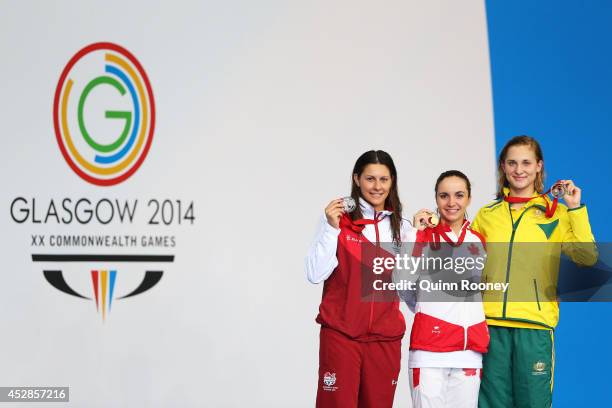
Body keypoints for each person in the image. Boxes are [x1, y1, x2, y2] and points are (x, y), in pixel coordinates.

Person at [472, 135, 598, 408]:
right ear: (503, 167)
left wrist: (575, 208)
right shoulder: (486, 214)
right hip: (490, 327)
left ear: (539, 166)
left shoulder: (557, 213)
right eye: (512, 163)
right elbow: (466, 266)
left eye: (526, 162)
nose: (519, 170)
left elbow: (587, 258)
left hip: (535, 328)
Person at [305, 150, 407, 408]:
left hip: (385, 340)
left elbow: (410, 287)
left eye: (384, 179)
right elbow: (315, 274)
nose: (377, 186)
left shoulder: (402, 227)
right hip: (342, 336)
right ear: (357, 179)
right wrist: (331, 227)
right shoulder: (338, 221)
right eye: (370, 179)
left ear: (392, 181)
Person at [400, 170, 489, 408]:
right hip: (429, 353)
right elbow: (402, 283)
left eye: (459, 195)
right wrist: (414, 234)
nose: (452, 203)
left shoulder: (478, 241)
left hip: (469, 353)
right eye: (444, 196)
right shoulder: (421, 236)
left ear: (469, 198)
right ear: (436, 199)